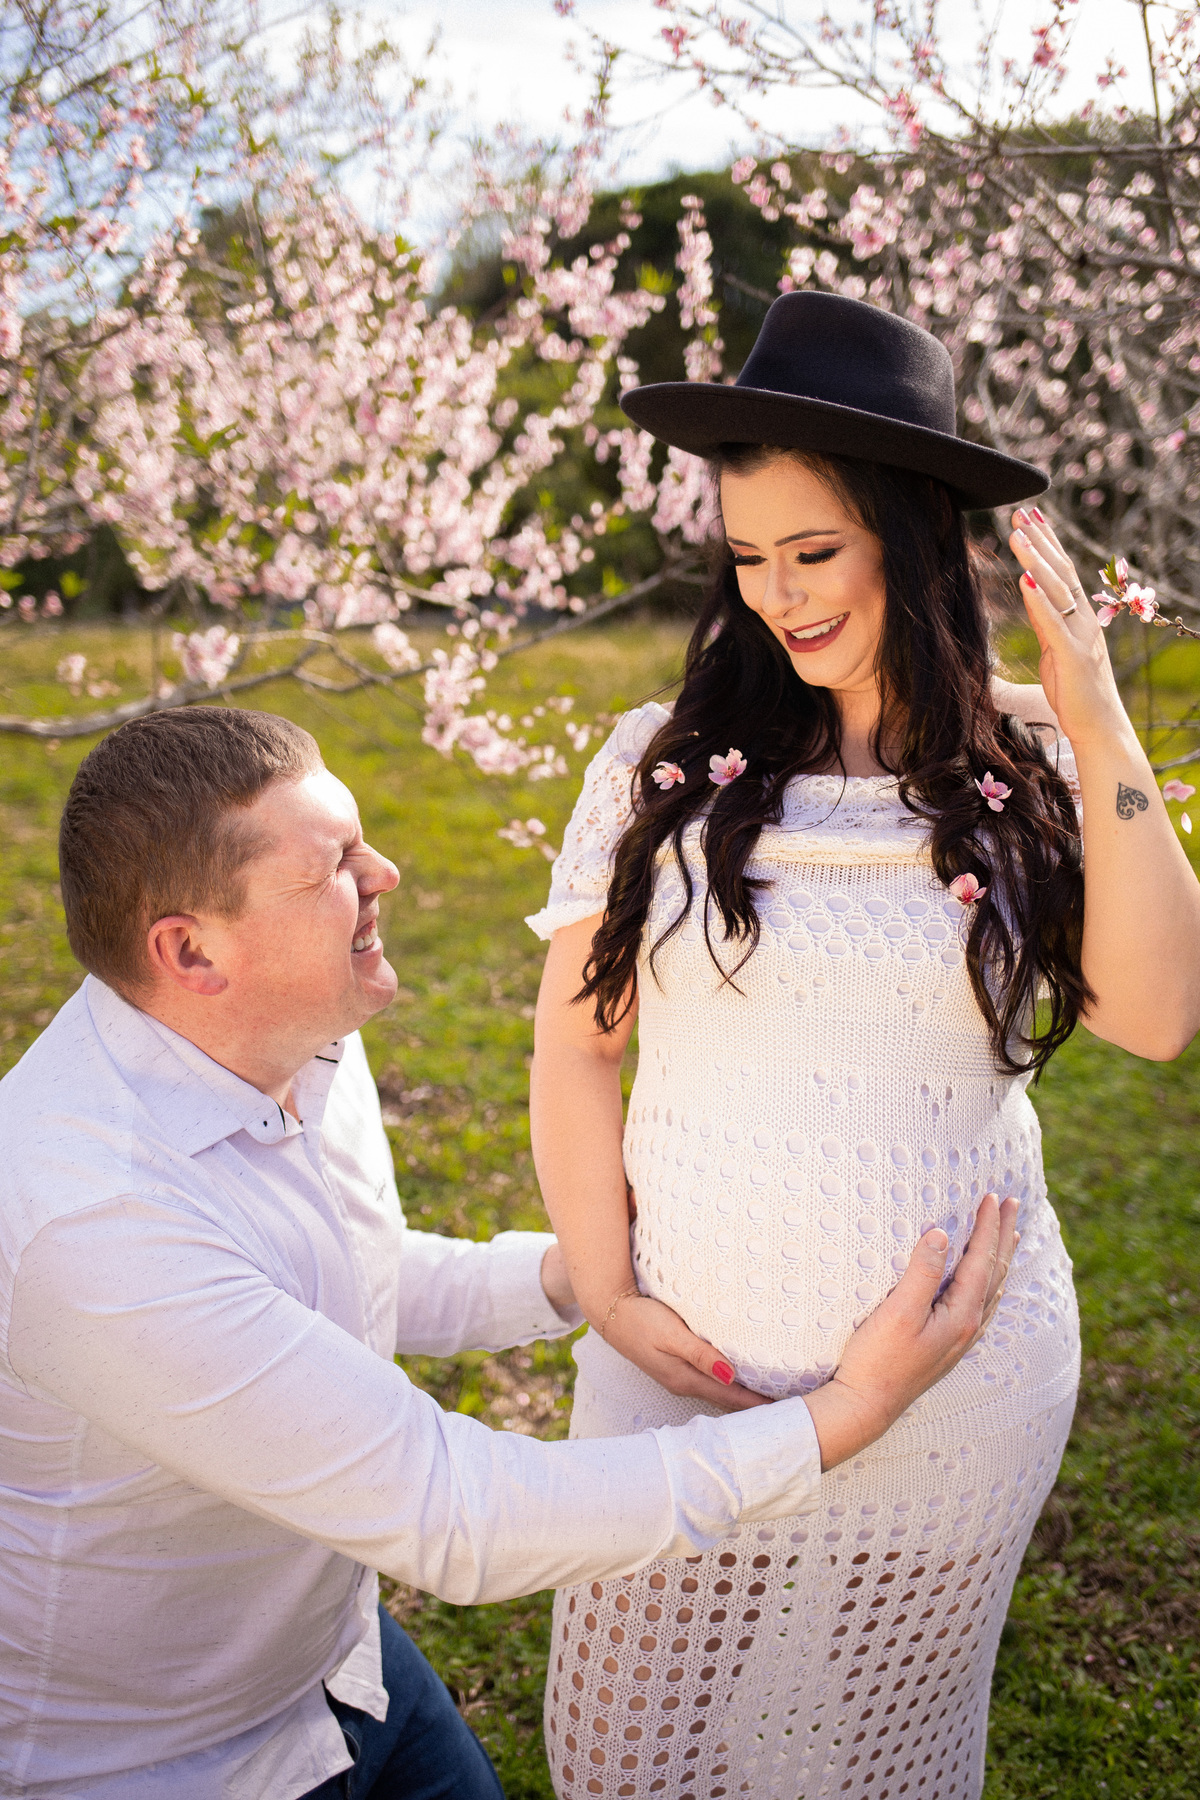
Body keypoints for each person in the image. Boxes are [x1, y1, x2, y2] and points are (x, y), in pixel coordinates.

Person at [0, 705, 1015, 1800]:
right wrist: (839, 1417)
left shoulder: (285, 1035)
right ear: (192, 950)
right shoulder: (93, 1225)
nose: (384, 874)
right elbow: (458, 1515)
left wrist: (575, 1275)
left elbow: (343, 1276)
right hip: (163, 1764)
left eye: (360, 838)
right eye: (333, 868)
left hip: (346, 1666)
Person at [530, 291, 1200, 1800]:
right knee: (623, 1755)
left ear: (913, 536)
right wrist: (612, 1295)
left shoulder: (1029, 767)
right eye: (748, 556)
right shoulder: (658, 766)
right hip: (682, 1381)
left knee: (877, 1762)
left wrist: (1099, 724)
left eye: (814, 551)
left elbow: (1160, 1017)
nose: (778, 596)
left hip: (958, 1395)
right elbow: (577, 1051)